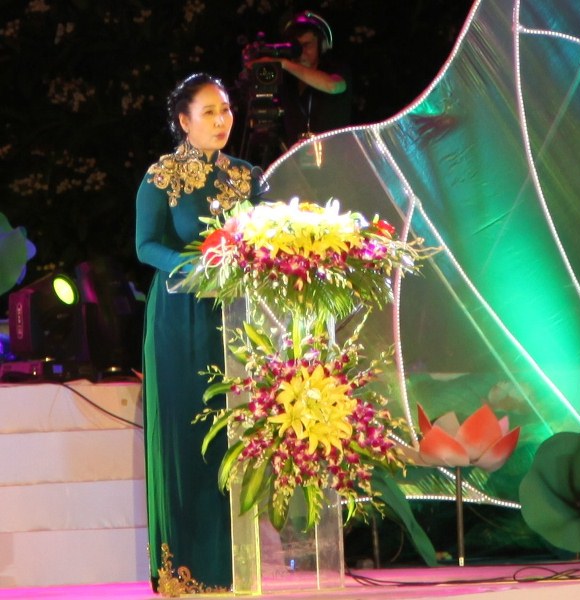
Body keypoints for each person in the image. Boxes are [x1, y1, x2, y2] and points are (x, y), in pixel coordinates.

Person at [135, 73, 261, 593]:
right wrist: (194, 268)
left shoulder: (249, 176)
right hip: (181, 316)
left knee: (235, 434)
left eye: (225, 109)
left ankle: (236, 566)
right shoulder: (162, 177)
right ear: (183, 121)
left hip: (235, 317)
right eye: (208, 111)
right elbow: (145, 246)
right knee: (189, 431)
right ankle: (185, 568)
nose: (221, 120)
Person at [246, 10, 352, 149]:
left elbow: (333, 86)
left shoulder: (334, 68)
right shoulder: (287, 78)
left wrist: (284, 63)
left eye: (307, 45)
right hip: (295, 156)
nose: (301, 52)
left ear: (322, 45)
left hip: (333, 155)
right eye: (296, 47)